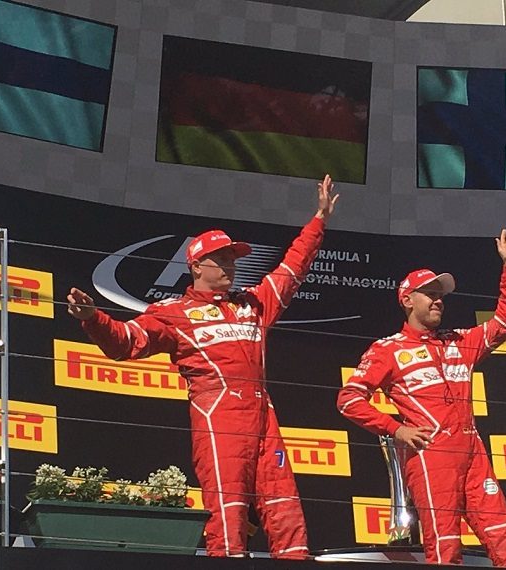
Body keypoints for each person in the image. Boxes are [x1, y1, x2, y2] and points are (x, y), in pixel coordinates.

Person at [67, 175, 339, 558]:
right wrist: (93, 319)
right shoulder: (174, 313)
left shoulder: (253, 305)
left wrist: (318, 221)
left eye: (233, 258)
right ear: (195, 265)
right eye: (222, 258)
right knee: (228, 510)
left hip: (263, 413)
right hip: (218, 414)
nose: (230, 265)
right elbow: (126, 343)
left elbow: (291, 270)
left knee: (284, 505)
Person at [337, 228, 506, 567]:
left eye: (441, 294)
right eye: (429, 293)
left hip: (473, 452)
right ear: (407, 300)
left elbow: (504, 322)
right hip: (431, 456)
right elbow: (349, 399)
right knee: (445, 549)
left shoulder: (460, 342)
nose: (438, 299)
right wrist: (395, 429)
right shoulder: (389, 349)